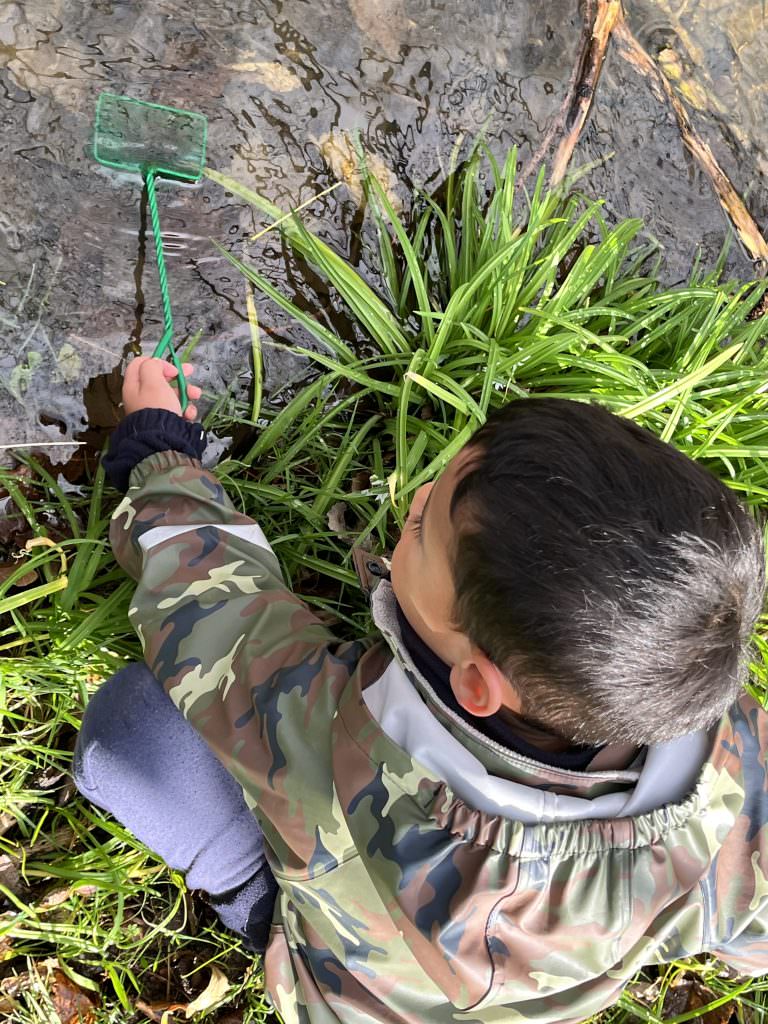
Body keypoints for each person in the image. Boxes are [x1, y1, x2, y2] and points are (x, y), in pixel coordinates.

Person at [74, 355, 768, 1024]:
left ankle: (253, 900)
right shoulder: (734, 761)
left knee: (134, 731)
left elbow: (216, 610)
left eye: (420, 528)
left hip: (348, 987)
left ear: (477, 684)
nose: (417, 497)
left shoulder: (341, 745)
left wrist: (159, 454)